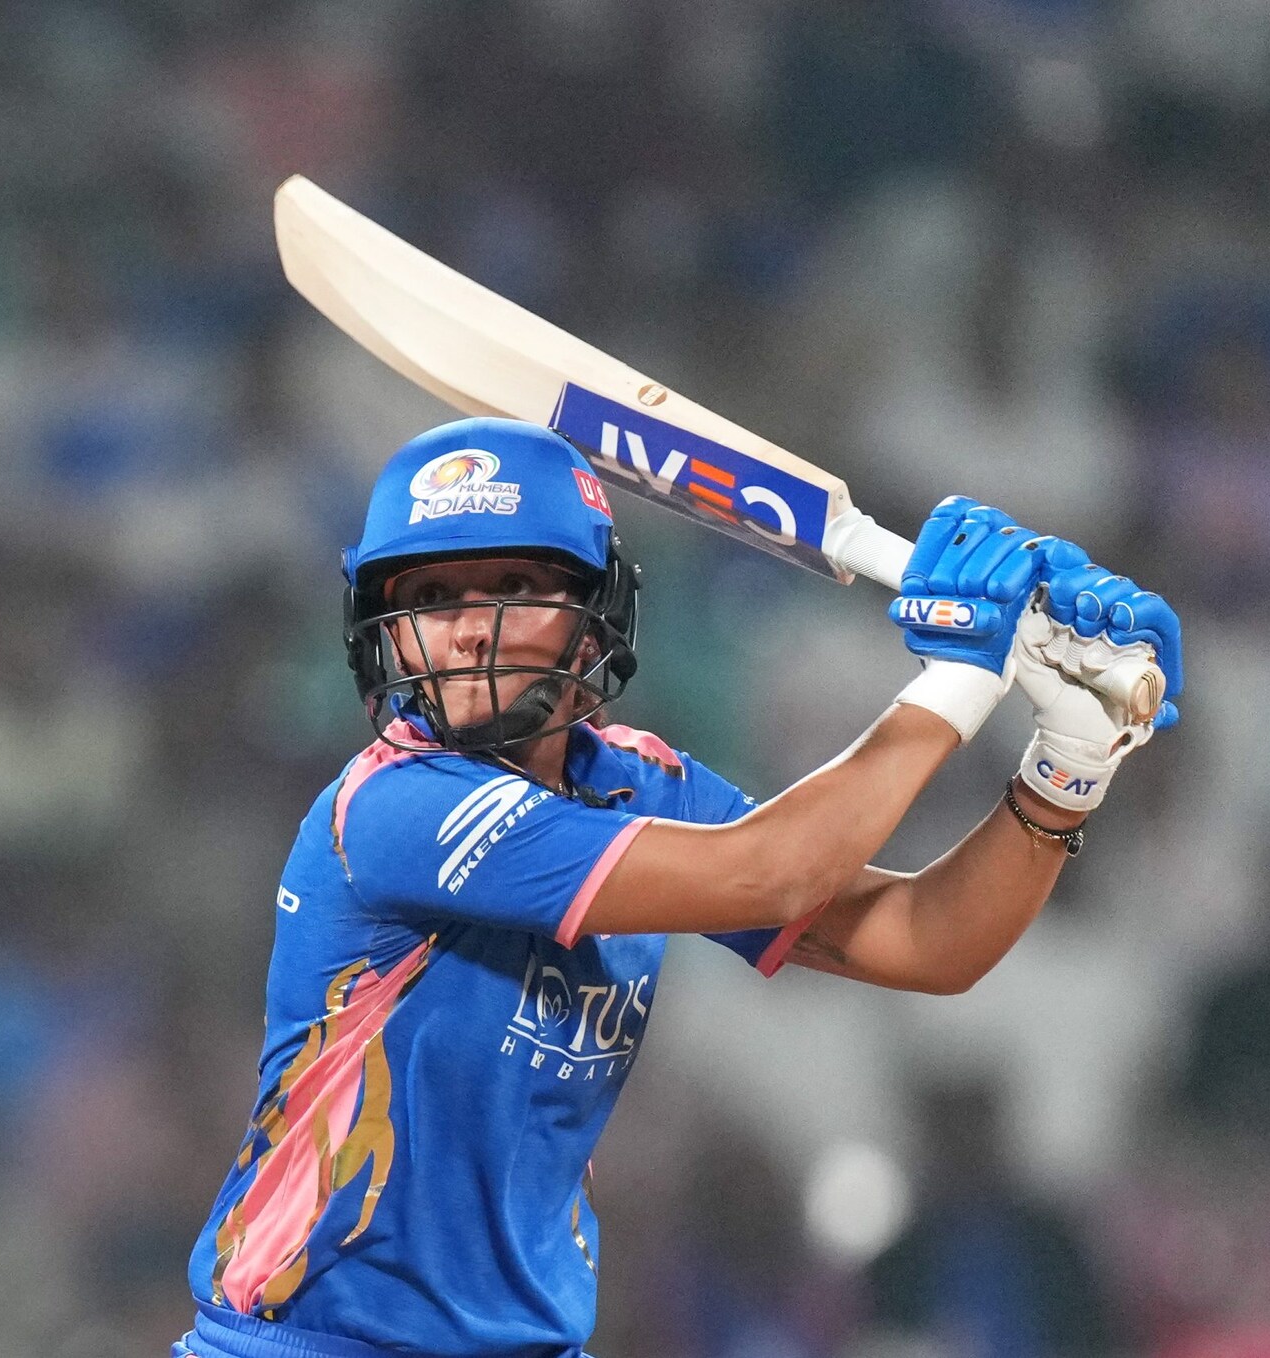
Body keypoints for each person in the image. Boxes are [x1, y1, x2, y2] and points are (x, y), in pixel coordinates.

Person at [177, 418, 1182, 1358]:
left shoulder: (637, 783)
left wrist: (1067, 760)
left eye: (513, 587)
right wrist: (965, 671)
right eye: (432, 598)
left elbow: (928, 942)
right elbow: (772, 870)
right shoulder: (394, 804)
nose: (470, 631)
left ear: (591, 621)